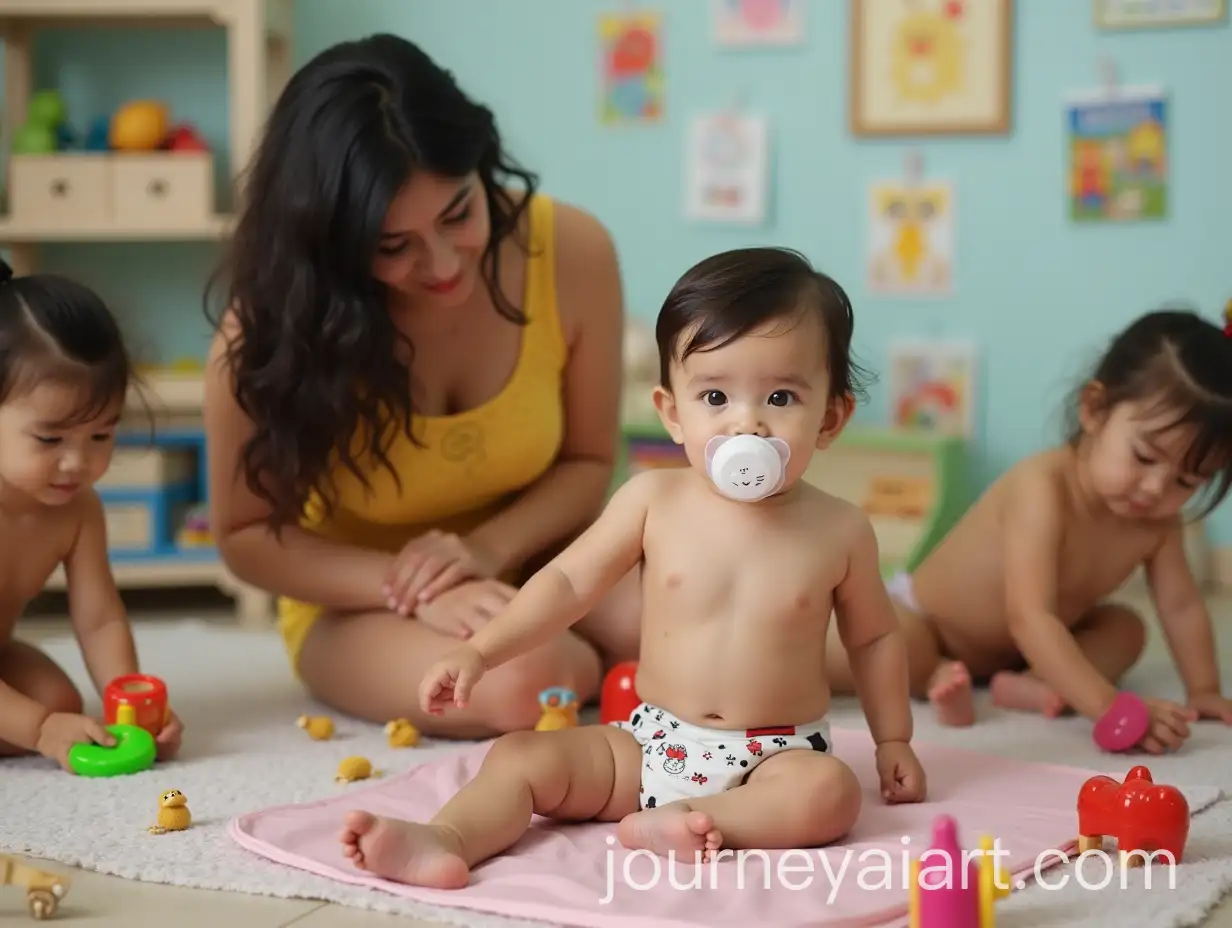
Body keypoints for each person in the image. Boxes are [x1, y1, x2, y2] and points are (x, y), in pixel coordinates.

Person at [335, 247, 927, 888]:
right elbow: (566, 584)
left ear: (831, 418)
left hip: (777, 755)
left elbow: (874, 638)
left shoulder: (840, 529)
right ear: (673, 413)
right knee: (522, 756)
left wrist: (893, 739)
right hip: (653, 743)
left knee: (830, 795)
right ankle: (445, 838)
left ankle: (696, 822)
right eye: (715, 396)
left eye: (780, 396)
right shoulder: (652, 500)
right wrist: (481, 650)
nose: (746, 423)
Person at [202, 34, 640, 737]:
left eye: (457, 213)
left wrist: (486, 552)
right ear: (330, 243)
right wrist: (413, 587)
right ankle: (603, 661)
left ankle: (610, 654)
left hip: (541, 556)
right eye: (391, 245)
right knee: (523, 681)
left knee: (728, 621)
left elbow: (588, 463)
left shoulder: (573, 250)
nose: (441, 265)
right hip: (361, 601)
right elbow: (247, 536)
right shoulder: (267, 330)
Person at [826, 307, 1232, 753]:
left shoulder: (1159, 524)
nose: (1156, 488)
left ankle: (1033, 684)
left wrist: (1204, 689)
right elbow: (1030, 616)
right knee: (886, 645)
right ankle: (931, 674)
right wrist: (1107, 706)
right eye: (1144, 457)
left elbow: (1181, 607)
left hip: (1024, 650)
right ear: (1095, 409)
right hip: (930, 624)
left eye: (1187, 481)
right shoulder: (1043, 488)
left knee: (1126, 628)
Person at [0, 260, 183, 771]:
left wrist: (131, 706)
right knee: (41, 720)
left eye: (101, 435)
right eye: (50, 439)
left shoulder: (78, 510)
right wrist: (38, 729)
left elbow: (100, 620)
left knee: (59, 702)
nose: (77, 462)